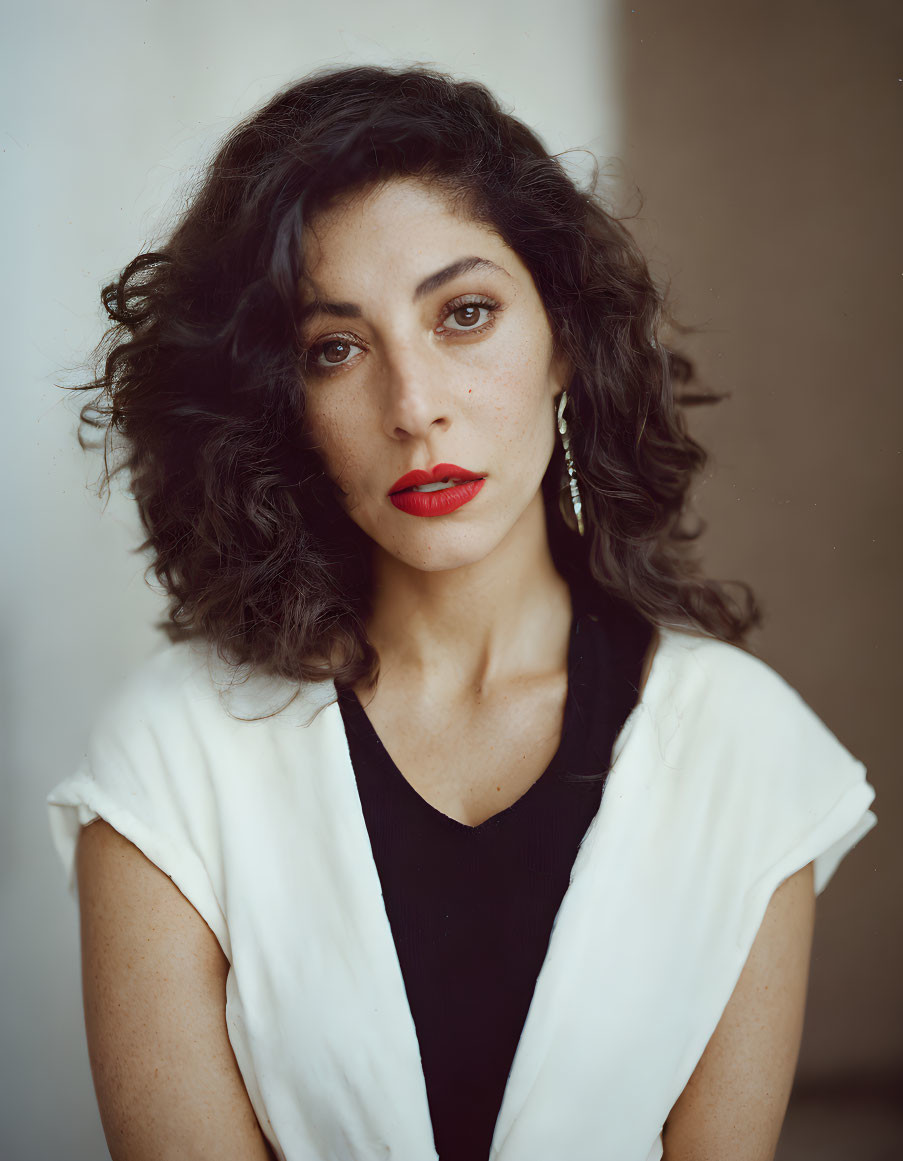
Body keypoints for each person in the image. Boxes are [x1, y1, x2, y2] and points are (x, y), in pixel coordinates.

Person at [46, 65, 876, 1161]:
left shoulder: (746, 754)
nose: (415, 404)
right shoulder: (171, 762)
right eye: (335, 348)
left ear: (564, 343)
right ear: (278, 407)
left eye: (466, 314)